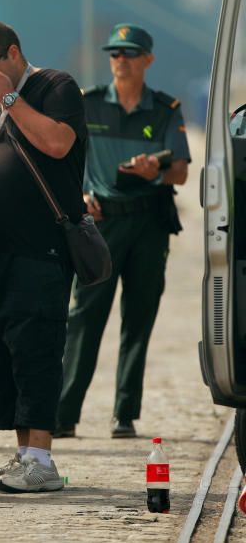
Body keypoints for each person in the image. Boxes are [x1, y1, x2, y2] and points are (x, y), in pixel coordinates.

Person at [0, 20, 86, 493]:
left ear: (12, 53)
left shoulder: (54, 87)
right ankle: (22, 457)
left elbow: (57, 143)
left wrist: (11, 98)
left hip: (40, 248)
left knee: (36, 350)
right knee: (0, 356)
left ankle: (42, 459)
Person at [56, 24, 190, 440]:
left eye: (130, 53)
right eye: (115, 53)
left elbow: (182, 171)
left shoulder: (165, 109)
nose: (121, 60)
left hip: (149, 222)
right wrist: (78, 194)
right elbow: (64, 159)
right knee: (84, 317)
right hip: (100, 224)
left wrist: (156, 170)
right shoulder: (88, 105)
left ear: (147, 59)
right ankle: (64, 413)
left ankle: (124, 414)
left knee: (139, 318)